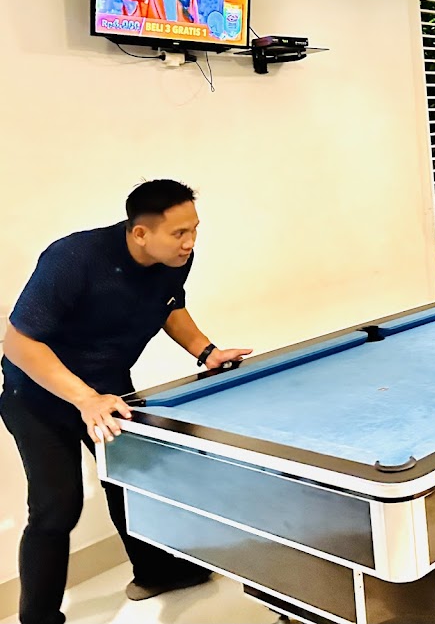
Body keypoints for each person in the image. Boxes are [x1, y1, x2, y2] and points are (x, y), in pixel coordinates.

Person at [0, 180, 252, 624]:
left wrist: (206, 351)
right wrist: (85, 398)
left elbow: (168, 305)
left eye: (194, 229)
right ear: (140, 233)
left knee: (132, 482)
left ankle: (156, 573)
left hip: (107, 389)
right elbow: (19, 343)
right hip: (38, 395)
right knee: (57, 506)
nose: (190, 242)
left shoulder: (174, 260)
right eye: (179, 233)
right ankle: (37, 619)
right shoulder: (73, 259)